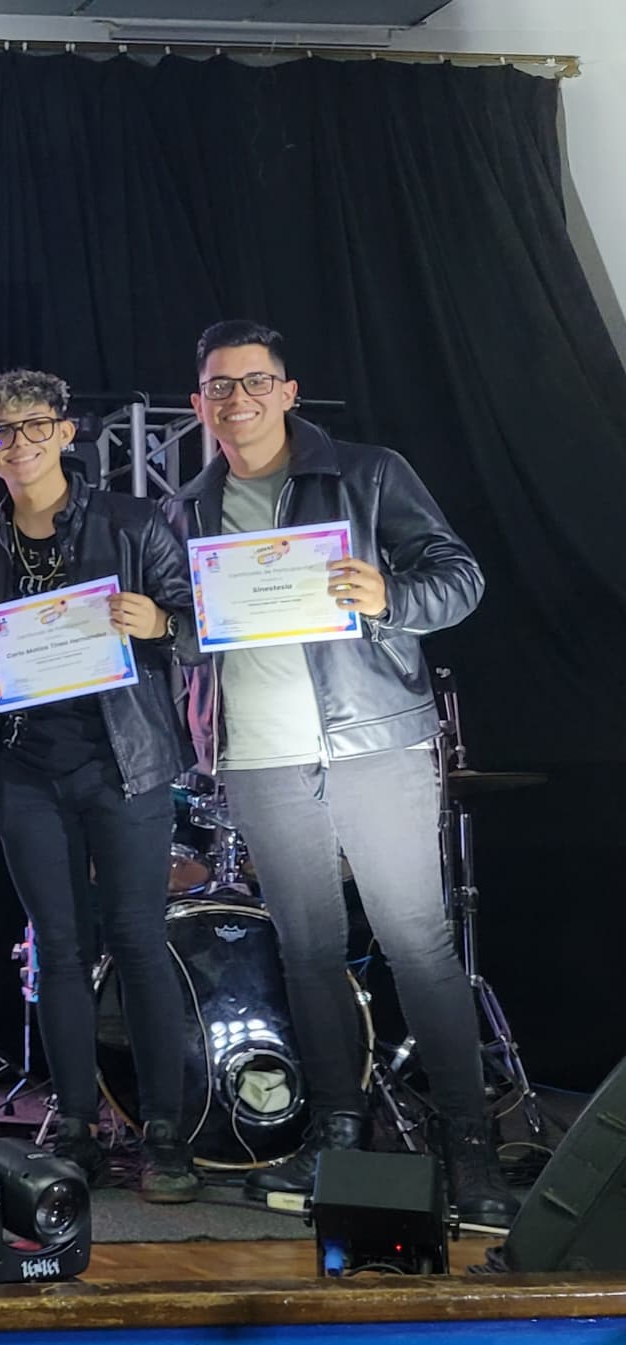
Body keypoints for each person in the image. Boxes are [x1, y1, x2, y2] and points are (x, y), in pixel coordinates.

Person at [170, 320, 517, 1228]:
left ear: (288, 392)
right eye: (219, 386)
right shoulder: (188, 507)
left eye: (255, 381)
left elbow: (460, 576)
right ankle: (337, 1135)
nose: (237, 400)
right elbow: (190, 634)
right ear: (199, 404)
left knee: (419, 946)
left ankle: (469, 1148)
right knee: (308, 951)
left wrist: (391, 597)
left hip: (374, 743)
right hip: (260, 756)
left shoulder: (367, 474)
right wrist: (160, 630)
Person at [0, 371, 199, 1202]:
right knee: (56, 948)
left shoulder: (134, 522)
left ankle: (163, 1133)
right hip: (25, 769)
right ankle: (74, 1127)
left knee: (137, 940)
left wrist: (161, 623)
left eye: (34, 426)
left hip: (124, 763)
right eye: (1, 432)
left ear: (66, 433)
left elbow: (204, 626)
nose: (19, 443)